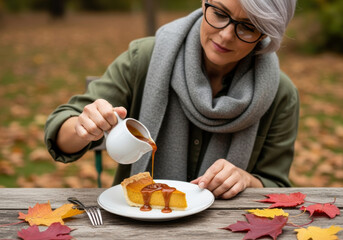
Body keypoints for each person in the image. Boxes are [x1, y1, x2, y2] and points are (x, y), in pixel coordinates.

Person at [45, 0, 299, 199]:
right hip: (135, 220)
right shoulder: (143, 58)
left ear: (266, 32)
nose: (225, 35)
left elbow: (275, 185)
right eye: (220, 14)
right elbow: (60, 135)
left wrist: (247, 179)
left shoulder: (279, 93)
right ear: (204, 3)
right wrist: (83, 127)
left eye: (247, 27)